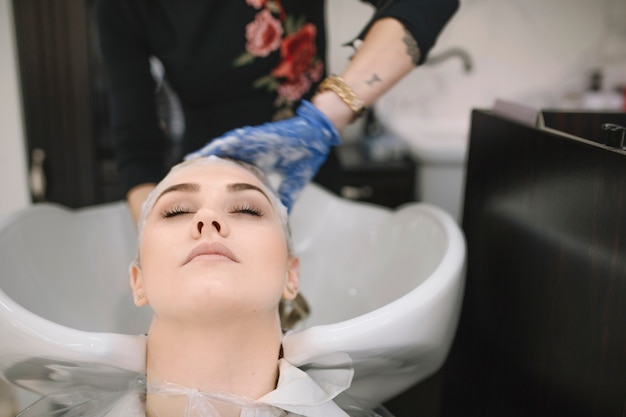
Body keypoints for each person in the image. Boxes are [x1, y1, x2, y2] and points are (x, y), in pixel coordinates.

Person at [95, 0, 460, 221]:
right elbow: (137, 145)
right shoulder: (124, 8)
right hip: (205, 190)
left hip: (308, 181)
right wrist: (157, 231)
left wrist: (327, 116)